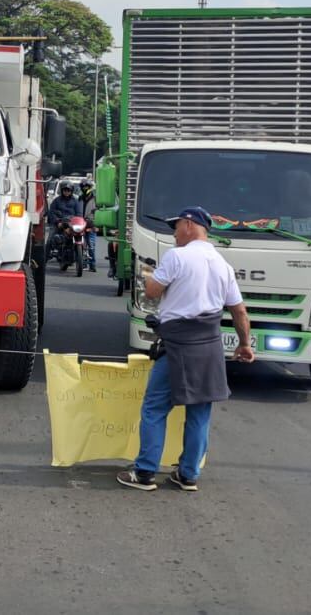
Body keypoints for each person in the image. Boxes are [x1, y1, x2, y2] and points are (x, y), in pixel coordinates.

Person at [117, 207, 253, 492]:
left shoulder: (176, 257)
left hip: (178, 345)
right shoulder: (222, 264)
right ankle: (188, 475)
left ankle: (144, 473)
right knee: (200, 412)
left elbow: (152, 291)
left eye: (176, 226)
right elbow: (239, 312)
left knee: (155, 407)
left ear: (190, 225)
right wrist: (244, 344)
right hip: (209, 346)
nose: (174, 233)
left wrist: (152, 277)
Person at [48, 182, 83, 271]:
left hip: (72, 223)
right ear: (62, 191)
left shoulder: (75, 201)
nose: (67, 192)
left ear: (71, 191)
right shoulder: (56, 200)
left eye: (68, 190)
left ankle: (84, 254)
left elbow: (79, 214)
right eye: (65, 190)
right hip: (59, 222)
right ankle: (44, 259)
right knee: (50, 239)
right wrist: (57, 222)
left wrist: (78, 221)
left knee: (82, 234)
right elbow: (51, 212)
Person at [79, 179, 98, 270]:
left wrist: (96, 225)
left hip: (92, 225)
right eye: (83, 187)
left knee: (91, 245)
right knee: (81, 245)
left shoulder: (96, 199)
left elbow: (99, 213)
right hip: (80, 224)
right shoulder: (79, 198)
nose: (85, 188)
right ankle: (82, 263)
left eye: (86, 187)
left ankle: (92, 264)